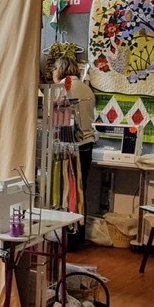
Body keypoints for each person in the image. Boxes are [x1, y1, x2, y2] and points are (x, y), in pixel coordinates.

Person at [53, 56, 96, 250]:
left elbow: (53, 119)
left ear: (60, 70)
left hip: (69, 146)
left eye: (54, 69)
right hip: (87, 144)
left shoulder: (63, 87)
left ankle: (66, 238)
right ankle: (77, 236)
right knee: (80, 189)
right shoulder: (87, 87)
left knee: (66, 191)